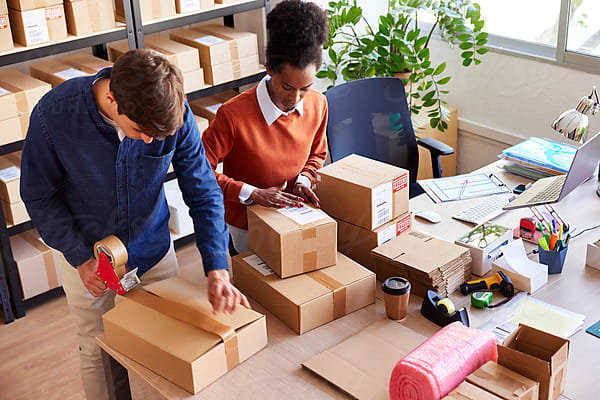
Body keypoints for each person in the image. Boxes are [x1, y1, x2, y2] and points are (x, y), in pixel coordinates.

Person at [20, 49, 249, 400]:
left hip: (153, 251)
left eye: (159, 137)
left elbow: (202, 189)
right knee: (97, 350)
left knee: (165, 346)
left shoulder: (172, 111)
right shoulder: (54, 115)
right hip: (89, 261)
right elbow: (39, 196)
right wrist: (81, 257)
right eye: (141, 132)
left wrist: (217, 267)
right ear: (112, 98)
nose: (150, 143)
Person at [202, 0, 329, 254]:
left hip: (294, 215)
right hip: (246, 224)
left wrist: (304, 179)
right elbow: (199, 170)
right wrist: (252, 193)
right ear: (269, 69)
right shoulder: (233, 115)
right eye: (287, 87)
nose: (295, 99)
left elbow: (317, 154)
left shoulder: (318, 104)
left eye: (305, 88)